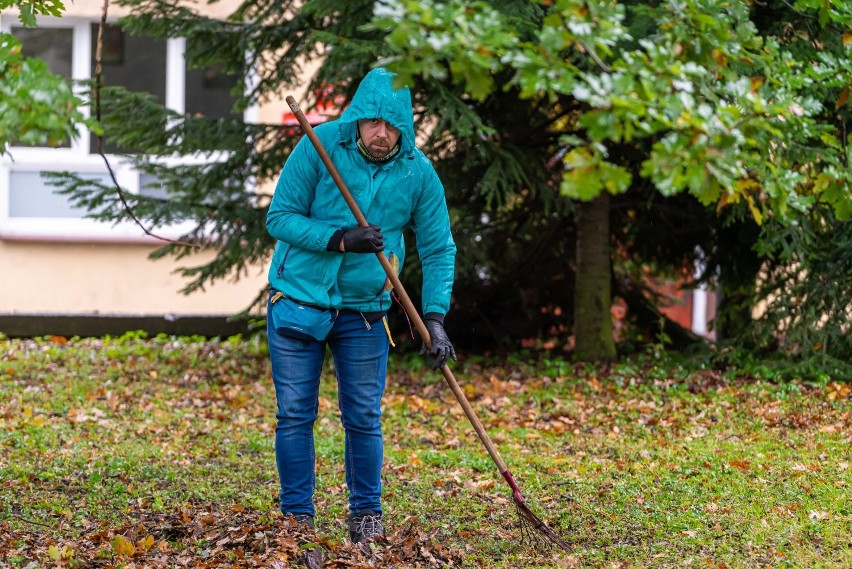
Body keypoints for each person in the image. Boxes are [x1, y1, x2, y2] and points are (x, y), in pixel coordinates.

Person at [265, 67, 457, 543]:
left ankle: (366, 518)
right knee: (294, 415)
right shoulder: (318, 144)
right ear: (357, 116)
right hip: (298, 301)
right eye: (372, 121)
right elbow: (279, 218)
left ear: (405, 126)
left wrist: (434, 317)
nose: (381, 133)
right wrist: (338, 239)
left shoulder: (417, 171)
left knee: (364, 418)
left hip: (366, 309)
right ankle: (297, 520)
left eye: (392, 125)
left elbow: (438, 248)